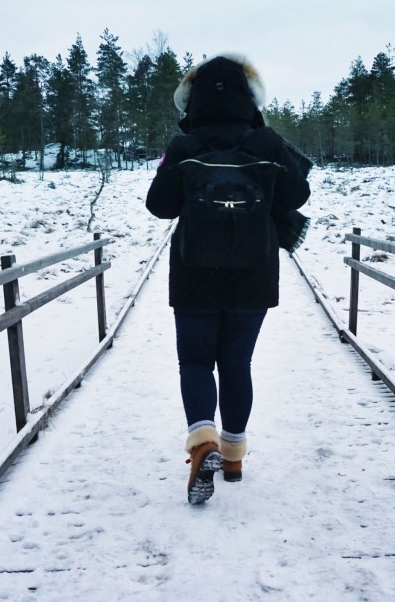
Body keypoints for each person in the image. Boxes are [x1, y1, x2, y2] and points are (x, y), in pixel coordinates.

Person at [145, 55, 311, 505]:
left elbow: (159, 206)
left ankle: (203, 444)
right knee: (237, 363)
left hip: (194, 272)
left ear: (192, 100)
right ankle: (234, 458)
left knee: (196, 362)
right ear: (249, 96)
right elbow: (299, 193)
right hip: (254, 272)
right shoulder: (268, 142)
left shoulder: (183, 147)